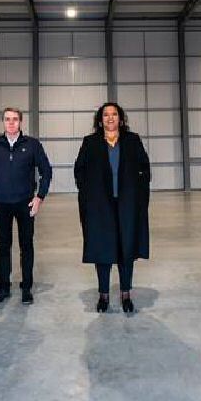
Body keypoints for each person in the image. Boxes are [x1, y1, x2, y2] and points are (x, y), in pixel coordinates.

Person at [74, 102, 150, 314]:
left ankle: (126, 293)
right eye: (106, 115)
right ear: (100, 120)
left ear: (121, 119)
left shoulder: (132, 141)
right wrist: (90, 194)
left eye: (114, 114)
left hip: (127, 205)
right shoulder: (90, 143)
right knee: (102, 251)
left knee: (126, 249)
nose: (110, 118)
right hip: (100, 207)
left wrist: (139, 195)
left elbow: (145, 168)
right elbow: (79, 170)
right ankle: (103, 294)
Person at [0, 107, 53, 306]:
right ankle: (3, 288)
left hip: (25, 203)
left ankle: (26, 287)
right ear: (3, 122)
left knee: (26, 246)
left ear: (21, 122)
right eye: (7, 119)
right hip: (1, 204)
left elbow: (46, 171)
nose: (11, 123)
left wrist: (39, 197)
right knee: (3, 247)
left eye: (15, 119)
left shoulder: (32, 145)